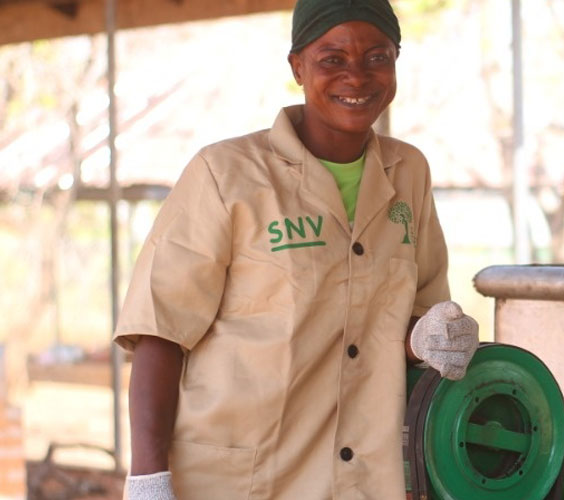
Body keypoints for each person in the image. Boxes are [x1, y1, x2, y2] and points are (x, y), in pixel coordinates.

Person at [113, 1, 479, 498]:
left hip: (364, 480)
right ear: (297, 66)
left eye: (377, 57)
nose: (357, 76)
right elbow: (161, 332)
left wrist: (428, 339)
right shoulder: (226, 174)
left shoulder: (408, 173)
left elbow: (410, 321)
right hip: (239, 480)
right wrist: (149, 478)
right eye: (332, 59)